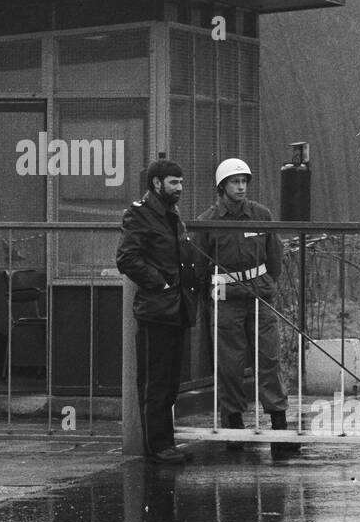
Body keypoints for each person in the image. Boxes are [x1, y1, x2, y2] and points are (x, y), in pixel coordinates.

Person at [193, 158, 295, 460]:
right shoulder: (208, 220)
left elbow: (273, 256)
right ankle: (234, 424)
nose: (240, 187)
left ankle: (279, 424)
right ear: (222, 186)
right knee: (230, 364)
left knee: (269, 358)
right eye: (235, 182)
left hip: (259, 295)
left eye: (244, 181)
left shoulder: (260, 215)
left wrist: (266, 283)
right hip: (225, 299)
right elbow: (200, 265)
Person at [116, 158, 201, 465]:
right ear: (156, 183)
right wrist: (161, 284)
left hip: (176, 308)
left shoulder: (171, 215)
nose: (180, 188)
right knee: (156, 381)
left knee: (170, 382)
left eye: (181, 182)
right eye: (174, 182)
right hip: (157, 309)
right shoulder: (140, 214)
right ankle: (159, 446)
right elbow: (127, 258)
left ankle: (165, 443)